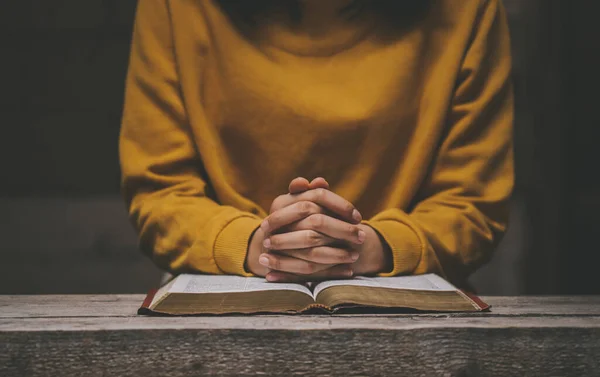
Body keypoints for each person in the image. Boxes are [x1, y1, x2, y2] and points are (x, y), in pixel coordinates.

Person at [120, 0, 513, 288]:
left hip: (415, 308)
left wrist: (371, 247)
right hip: (220, 295)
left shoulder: (466, 9)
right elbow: (161, 192)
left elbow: (472, 204)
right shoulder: (173, 7)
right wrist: (255, 245)